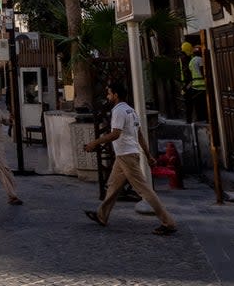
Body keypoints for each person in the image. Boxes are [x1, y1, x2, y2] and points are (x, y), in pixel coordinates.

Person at [83, 81, 177, 235]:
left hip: (126, 155)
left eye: (109, 93)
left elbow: (115, 134)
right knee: (113, 185)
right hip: (126, 154)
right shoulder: (131, 111)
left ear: (116, 95)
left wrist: (94, 143)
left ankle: (168, 222)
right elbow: (139, 134)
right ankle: (102, 215)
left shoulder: (119, 111)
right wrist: (148, 155)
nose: (107, 96)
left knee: (145, 190)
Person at [186, 45, 207, 123]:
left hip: (195, 85)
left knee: (198, 104)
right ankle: (204, 118)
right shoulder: (200, 59)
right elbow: (203, 71)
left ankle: (200, 118)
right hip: (202, 85)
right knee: (204, 103)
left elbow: (191, 73)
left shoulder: (191, 61)